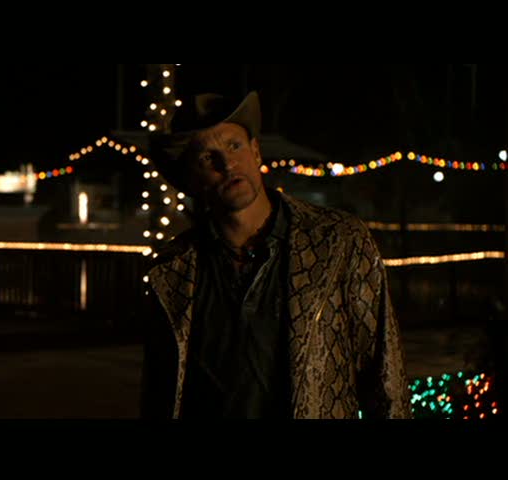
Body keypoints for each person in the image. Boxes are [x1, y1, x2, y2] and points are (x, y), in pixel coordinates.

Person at [141, 91, 411, 419]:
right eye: (207, 157)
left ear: (256, 151)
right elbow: (160, 393)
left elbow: (385, 376)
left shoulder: (338, 240)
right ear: (190, 179)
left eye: (234, 146)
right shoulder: (172, 272)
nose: (227, 164)